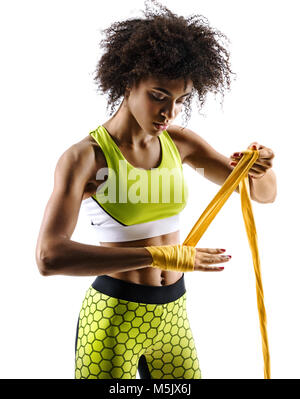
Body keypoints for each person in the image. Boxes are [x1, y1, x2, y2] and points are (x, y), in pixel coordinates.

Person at [35, 0, 277, 380]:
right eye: (158, 96)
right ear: (129, 81)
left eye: (180, 101)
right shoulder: (86, 158)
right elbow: (49, 258)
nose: (169, 113)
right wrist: (160, 255)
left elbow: (260, 194)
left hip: (174, 315)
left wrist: (261, 167)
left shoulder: (179, 144)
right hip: (113, 320)